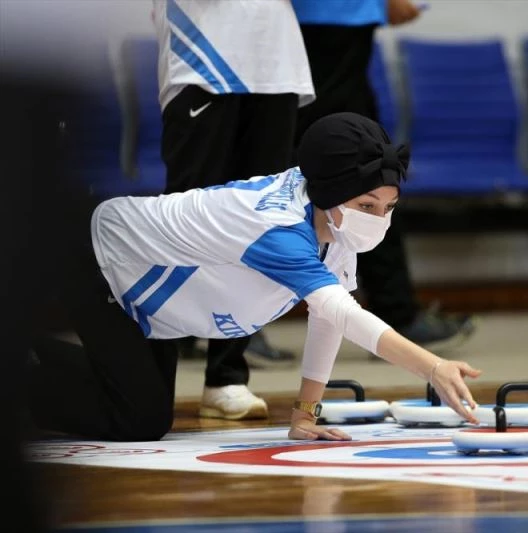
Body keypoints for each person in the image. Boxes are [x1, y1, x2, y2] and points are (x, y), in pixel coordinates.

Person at [27, 112, 482, 442]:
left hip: (155, 296)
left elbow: (326, 322)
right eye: (368, 206)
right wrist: (432, 366)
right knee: (136, 420)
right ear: (335, 194)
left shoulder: (333, 217)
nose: (379, 219)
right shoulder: (279, 230)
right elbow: (345, 315)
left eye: (389, 207)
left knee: (139, 405)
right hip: (104, 261)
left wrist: (305, 415)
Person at [150, 0, 316, 421]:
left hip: (274, 59)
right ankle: (149, 380)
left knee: (262, 220)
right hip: (202, 55)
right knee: (183, 220)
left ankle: (226, 376)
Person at [291, 0, 477, 354]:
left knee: (351, 162)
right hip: (328, 20)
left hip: (326, 22)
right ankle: (397, 313)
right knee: (358, 163)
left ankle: (396, 312)